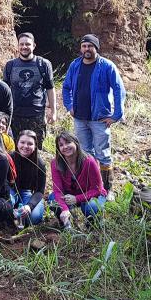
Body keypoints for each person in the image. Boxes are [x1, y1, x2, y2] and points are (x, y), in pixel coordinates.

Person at [61, 34, 125, 192]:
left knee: (103, 154)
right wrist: (69, 106)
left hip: (100, 119)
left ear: (96, 48)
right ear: (81, 48)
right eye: (84, 46)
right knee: (84, 154)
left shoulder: (106, 66)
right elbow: (66, 87)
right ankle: (91, 187)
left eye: (90, 46)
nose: (87, 49)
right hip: (80, 118)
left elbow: (119, 89)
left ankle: (107, 190)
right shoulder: (75, 65)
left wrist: (116, 115)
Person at [5, 33, 56, 147]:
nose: (24, 47)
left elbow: (50, 88)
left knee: (35, 148)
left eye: (27, 44)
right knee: (16, 148)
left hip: (36, 114)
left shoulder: (43, 64)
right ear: (17, 46)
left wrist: (53, 112)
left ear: (34, 46)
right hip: (15, 114)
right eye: (21, 44)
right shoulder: (10, 65)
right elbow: (5, 90)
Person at [50, 132, 107, 229]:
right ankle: (66, 222)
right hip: (69, 196)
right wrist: (64, 209)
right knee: (53, 200)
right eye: (61, 145)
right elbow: (57, 190)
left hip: (91, 195)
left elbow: (97, 189)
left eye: (68, 142)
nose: (65, 147)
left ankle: (94, 224)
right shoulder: (56, 163)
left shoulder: (89, 161)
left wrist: (77, 198)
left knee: (91, 208)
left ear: (76, 143)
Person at [10, 130, 48, 227]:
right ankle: (10, 214)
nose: (25, 146)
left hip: (27, 193)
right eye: (22, 142)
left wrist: (29, 206)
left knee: (34, 218)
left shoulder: (40, 164)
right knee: (8, 203)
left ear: (35, 146)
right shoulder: (9, 158)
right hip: (10, 190)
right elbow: (2, 183)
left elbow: (39, 191)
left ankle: (20, 214)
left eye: (30, 144)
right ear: (17, 143)